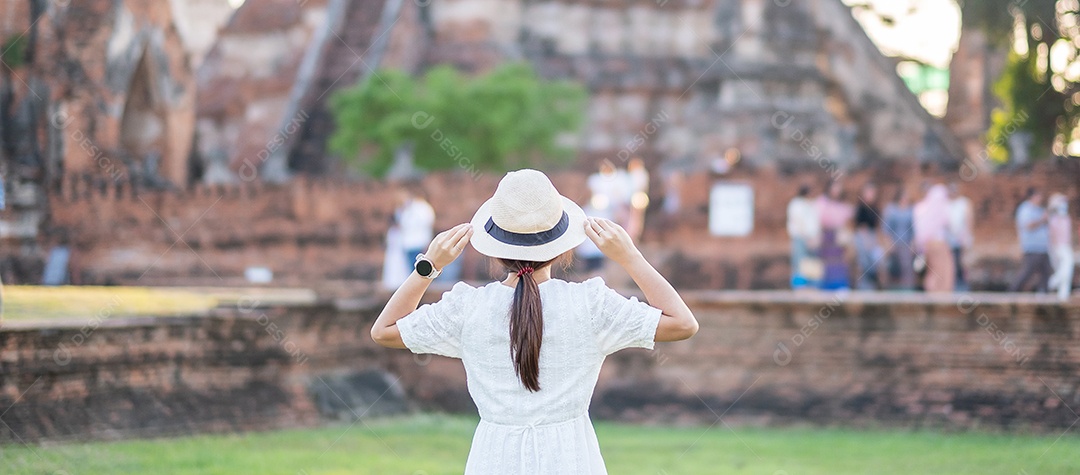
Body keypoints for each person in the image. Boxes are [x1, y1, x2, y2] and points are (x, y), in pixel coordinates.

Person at [370, 169, 698, 474]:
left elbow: (384, 330)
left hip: (492, 460)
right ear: (561, 248)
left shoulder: (467, 307)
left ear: (495, 249)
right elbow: (682, 323)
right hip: (572, 460)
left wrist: (429, 265)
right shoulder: (590, 305)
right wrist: (629, 256)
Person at [1009, 188, 1053, 292]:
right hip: (1032, 246)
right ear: (1032, 197)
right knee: (1028, 271)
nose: (1040, 198)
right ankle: (1012, 291)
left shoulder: (1039, 209)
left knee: (1046, 271)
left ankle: (1043, 293)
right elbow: (1028, 225)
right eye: (1038, 196)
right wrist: (1042, 219)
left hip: (1043, 246)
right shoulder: (1025, 209)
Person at [913, 184, 956, 293]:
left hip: (928, 245)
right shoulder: (942, 209)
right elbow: (950, 225)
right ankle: (940, 298)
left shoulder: (921, 209)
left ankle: (932, 296)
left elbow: (919, 232)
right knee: (945, 272)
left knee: (932, 272)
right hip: (940, 244)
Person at [816, 180, 854, 290]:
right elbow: (819, 219)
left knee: (840, 264)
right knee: (827, 265)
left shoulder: (843, 206)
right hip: (827, 237)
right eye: (834, 188)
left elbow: (847, 221)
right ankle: (825, 287)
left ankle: (841, 287)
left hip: (839, 239)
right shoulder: (822, 202)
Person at [786, 184, 821, 289]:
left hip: (813, 239)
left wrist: (815, 237)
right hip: (801, 238)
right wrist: (807, 238)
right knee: (799, 264)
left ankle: (813, 288)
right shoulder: (796, 204)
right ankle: (799, 288)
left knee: (812, 265)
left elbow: (816, 223)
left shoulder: (812, 204)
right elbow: (798, 223)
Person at [882, 187, 916, 291]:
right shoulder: (891, 210)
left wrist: (912, 244)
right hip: (894, 244)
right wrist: (889, 244)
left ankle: (907, 292)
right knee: (890, 268)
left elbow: (913, 230)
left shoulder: (910, 211)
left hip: (906, 244)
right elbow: (886, 229)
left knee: (907, 269)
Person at [396, 188, 435, 276]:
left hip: (419, 242)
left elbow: (428, 224)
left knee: (418, 270)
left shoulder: (423, 208)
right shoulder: (409, 208)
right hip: (410, 243)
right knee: (411, 269)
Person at [853, 183, 884, 290]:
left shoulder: (875, 209)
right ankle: (863, 285)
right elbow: (861, 228)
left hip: (872, 237)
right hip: (862, 237)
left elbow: (877, 228)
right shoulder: (861, 208)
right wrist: (867, 240)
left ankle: (878, 285)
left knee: (878, 257)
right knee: (863, 260)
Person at [947, 183, 974, 291]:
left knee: (963, 265)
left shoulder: (963, 203)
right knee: (951, 265)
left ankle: (963, 289)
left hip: (961, 240)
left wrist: (967, 238)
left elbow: (969, 221)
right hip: (949, 241)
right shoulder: (946, 204)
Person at [1047, 193, 1074, 301]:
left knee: (1068, 268)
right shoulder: (1053, 219)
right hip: (1057, 247)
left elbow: (1069, 234)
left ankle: (1063, 294)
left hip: (1066, 246)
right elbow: (1052, 236)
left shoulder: (1067, 218)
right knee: (1066, 265)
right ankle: (1054, 281)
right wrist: (1054, 249)